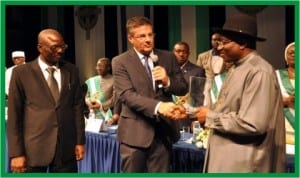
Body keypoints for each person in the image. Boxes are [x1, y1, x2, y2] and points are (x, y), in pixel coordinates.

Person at [194, 14, 286, 172]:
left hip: (244, 163)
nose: (219, 47)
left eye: (224, 42)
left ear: (243, 43)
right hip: (228, 159)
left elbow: (253, 124)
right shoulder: (237, 68)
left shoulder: (259, 71)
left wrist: (209, 117)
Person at [112, 16, 188, 172]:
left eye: (150, 35)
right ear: (131, 38)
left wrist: (167, 80)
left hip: (163, 134)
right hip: (134, 135)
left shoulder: (167, 57)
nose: (148, 40)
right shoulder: (120, 62)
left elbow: (182, 88)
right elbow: (127, 95)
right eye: (142, 36)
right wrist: (159, 106)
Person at [7, 28, 85, 173]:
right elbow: (14, 115)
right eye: (55, 47)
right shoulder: (21, 73)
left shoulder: (72, 70)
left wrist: (80, 141)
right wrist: (16, 153)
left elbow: (77, 108)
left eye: (63, 46)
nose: (60, 51)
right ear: (40, 48)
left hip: (66, 149)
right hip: (33, 149)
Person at [173, 41, 205, 128]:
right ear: (173, 52)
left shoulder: (197, 71)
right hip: (170, 114)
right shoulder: (167, 70)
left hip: (186, 116)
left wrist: (195, 119)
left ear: (188, 53)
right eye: (178, 51)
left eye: (184, 52)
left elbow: (198, 99)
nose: (181, 54)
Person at [275, 42, 295, 146]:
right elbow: (266, 100)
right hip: (284, 131)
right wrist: (285, 101)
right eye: (290, 52)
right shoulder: (276, 75)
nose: (293, 54)